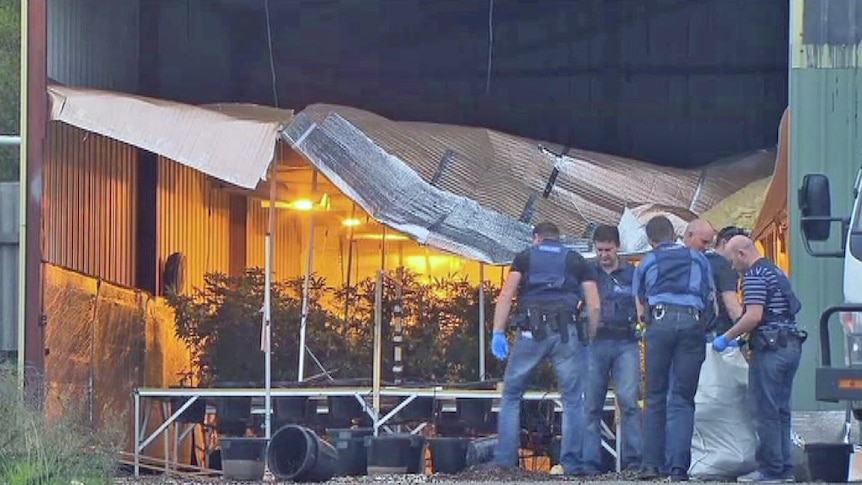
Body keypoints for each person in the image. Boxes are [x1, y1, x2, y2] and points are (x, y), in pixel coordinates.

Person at [490, 221, 601, 475]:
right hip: (567, 333)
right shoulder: (576, 260)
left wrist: (498, 332)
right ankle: (572, 465)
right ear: (557, 238)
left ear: (536, 238)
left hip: (532, 332)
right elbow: (594, 304)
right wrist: (590, 337)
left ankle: (506, 464)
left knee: (511, 395)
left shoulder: (525, 257)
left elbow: (507, 294)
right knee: (573, 400)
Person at [712, 236, 806, 483]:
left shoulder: (754, 275)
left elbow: (754, 315)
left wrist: (728, 336)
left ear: (742, 254)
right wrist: (743, 340)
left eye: (732, 260)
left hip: (771, 349)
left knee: (765, 410)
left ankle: (771, 470)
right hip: (791, 345)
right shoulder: (775, 270)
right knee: (781, 410)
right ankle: (784, 468)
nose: (732, 267)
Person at [631, 215, 715, 482]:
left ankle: (651, 465)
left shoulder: (648, 261)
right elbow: (710, 298)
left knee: (655, 395)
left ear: (651, 240)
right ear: (674, 234)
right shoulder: (698, 258)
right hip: (692, 322)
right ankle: (679, 468)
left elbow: (641, 305)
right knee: (682, 398)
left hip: (660, 322)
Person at [582, 224, 642, 474]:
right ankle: (590, 463)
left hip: (626, 341)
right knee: (591, 405)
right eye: (600, 250)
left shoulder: (633, 273)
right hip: (595, 343)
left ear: (618, 247)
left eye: (608, 249)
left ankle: (635, 461)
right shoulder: (587, 273)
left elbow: (642, 305)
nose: (604, 254)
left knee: (628, 401)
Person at [706, 226, 746, 335]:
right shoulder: (726, 266)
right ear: (725, 243)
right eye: (739, 251)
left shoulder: (702, 260)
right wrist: (745, 330)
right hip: (720, 330)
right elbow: (732, 305)